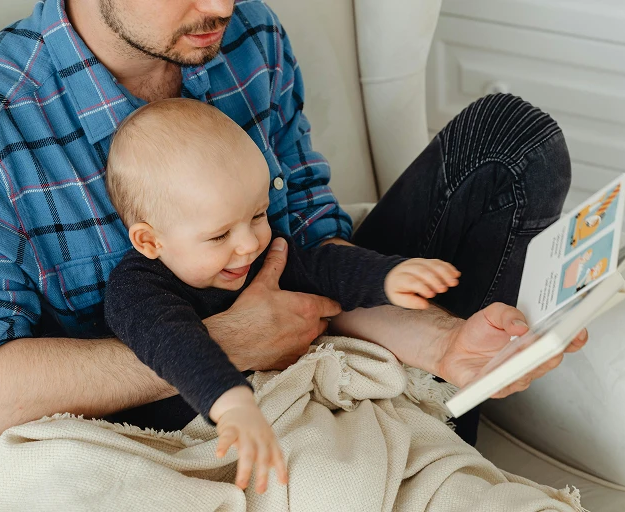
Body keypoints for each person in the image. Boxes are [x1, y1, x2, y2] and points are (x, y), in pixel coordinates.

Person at [0, 0, 586, 456]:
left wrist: (441, 341)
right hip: (160, 428)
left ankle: (432, 423)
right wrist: (226, 344)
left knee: (509, 141)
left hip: (313, 355)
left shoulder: (247, 34)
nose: (221, 6)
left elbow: (304, 246)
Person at [103, 98, 462, 492]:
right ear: (150, 240)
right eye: (219, 235)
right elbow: (176, 345)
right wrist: (230, 402)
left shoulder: (258, 257)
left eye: (258, 215)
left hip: (281, 408)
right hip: (199, 430)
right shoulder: (137, 291)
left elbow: (322, 269)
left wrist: (388, 277)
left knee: (387, 459)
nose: (249, 244)